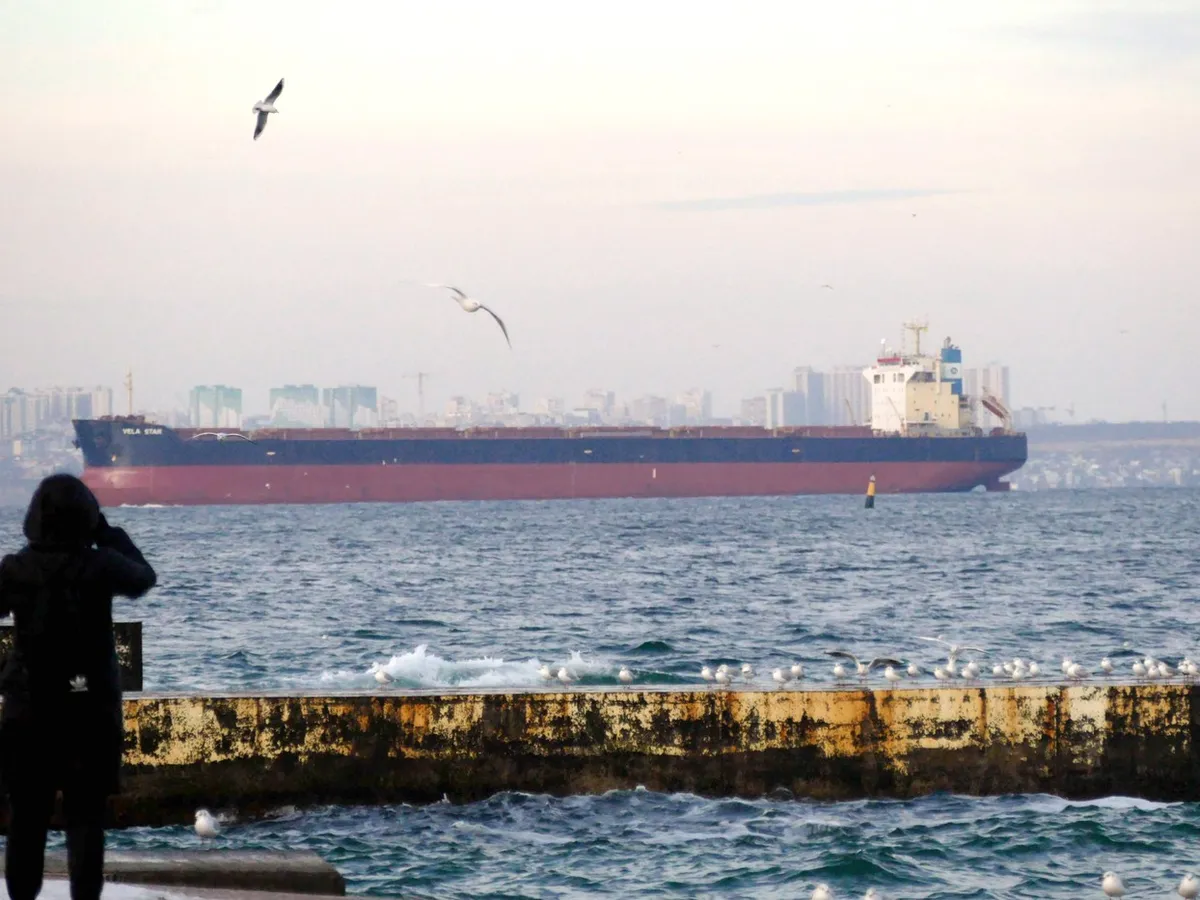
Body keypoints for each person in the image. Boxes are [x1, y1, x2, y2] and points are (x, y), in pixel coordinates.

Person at [0, 474, 157, 900]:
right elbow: (144, 577)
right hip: (89, 713)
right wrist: (108, 534)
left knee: (26, 821)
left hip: (27, 711)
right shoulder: (100, 565)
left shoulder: (16, 569)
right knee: (86, 822)